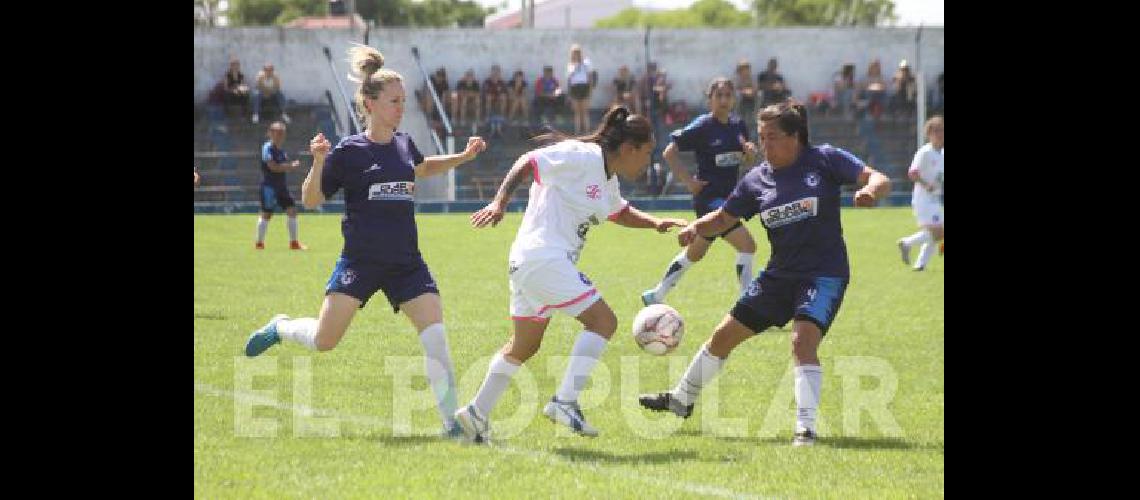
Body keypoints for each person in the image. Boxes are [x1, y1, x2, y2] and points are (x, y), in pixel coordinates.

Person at [243, 44, 488, 439]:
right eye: (394, 101)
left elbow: (424, 167)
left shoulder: (405, 144)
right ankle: (282, 326)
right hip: (361, 261)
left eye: (403, 101)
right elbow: (310, 199)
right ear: (370, 104)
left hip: (407, 263)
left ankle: (450, 426)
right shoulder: (349, 151)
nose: (401, 108)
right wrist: (319, 162)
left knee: (436, 336)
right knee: (325, 341)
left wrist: (462, 156)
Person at [638, 100, 891, 447]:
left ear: (795, 137)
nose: (763, 145)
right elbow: (725, 218)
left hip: (823, 274)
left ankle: (805, 429)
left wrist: (870, 191)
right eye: (761, 137)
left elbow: (878, 177)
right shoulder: (757, 180)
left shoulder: (825, 159)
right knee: (723, 337)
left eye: (772, 137)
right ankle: (681, 400)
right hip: (778, 276)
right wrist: (696, 227)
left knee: (802, 341)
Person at [454, 105, 688, 443]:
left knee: (524, 345)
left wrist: (655, 223)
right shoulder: (583, 156)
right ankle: (565, 401)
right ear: (628, 148)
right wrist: (499, 202)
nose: (648, 161)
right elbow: (529, 162)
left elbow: (618, 211)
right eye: (647, 152)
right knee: (603, 322)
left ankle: (476, 414)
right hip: (543, 258)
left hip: (530, 263)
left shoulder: (607, 178)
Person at [642, 77, 759, 306]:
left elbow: (745, 161)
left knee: (694, 253)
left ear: (734, 99)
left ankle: (655, 295)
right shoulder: (703, 126)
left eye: (728, 95)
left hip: (729, 200)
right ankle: (748, 304)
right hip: (710, 201)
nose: (724, 100)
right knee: (747, 245)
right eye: (719, 96)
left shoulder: (738, 127)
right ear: (710, 100)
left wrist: (750, 154)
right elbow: (669, 152)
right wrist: (689, 182)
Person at [897, 115, 944, 271]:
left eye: (942, 130)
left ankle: (920, 265)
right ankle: (906, 243)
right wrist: (927, 185)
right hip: (923, 198)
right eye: (936, 131)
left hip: (934, 198)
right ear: (929, 133)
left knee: (936, 232)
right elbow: (913, 173)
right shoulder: (925, 152)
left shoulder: (942, 154)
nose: (940, 134)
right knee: (938, 231)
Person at [254, 121, 306, 250]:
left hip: (281, 187)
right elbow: (272, 167)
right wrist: (290, 166)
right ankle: (259, 243)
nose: (280, 136)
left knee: (292, 210)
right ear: (270, 133)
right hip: (269, 187)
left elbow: (280, 167)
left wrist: (290, 166)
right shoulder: (267, 148)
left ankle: (294, 243)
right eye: (277, 133)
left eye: (282, 133)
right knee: (267, 214)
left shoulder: (281, 151)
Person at [566, 44, 596, 134]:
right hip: (575, 88)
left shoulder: (586, 63)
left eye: (577, 52)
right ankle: (577, 132)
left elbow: (590, 77)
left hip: (584, 87)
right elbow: (569, 79)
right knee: (577, 112)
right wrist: (569, 93)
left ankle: (587, 132)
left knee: (585, 111)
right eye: (574, 53)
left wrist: (590, 90)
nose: (576, 55)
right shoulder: (570, 65)